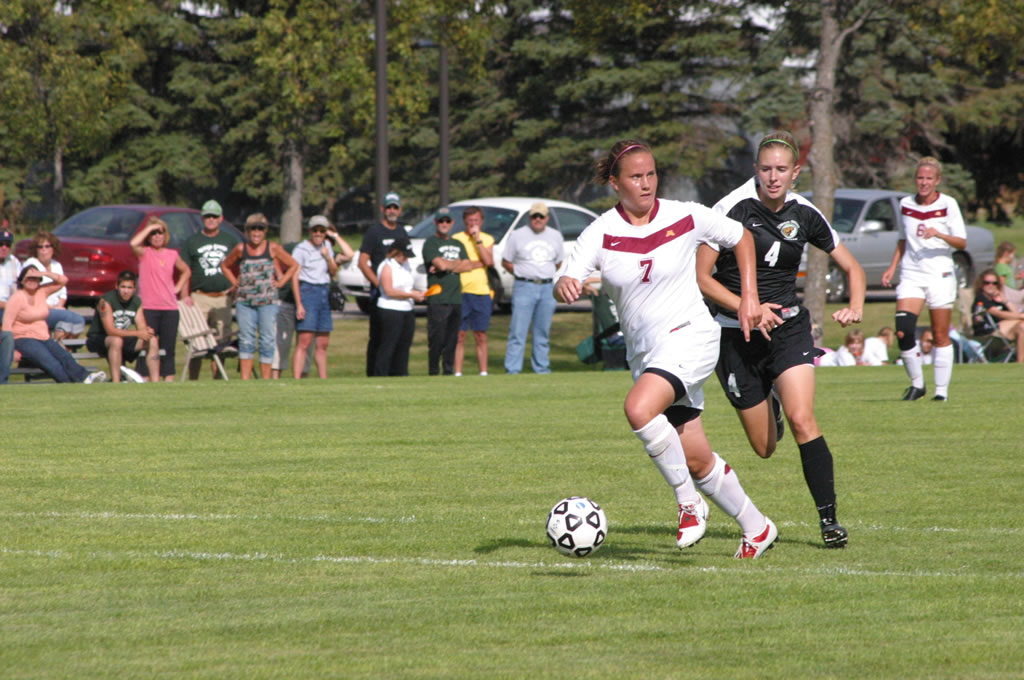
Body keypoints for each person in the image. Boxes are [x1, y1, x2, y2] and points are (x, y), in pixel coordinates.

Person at [555, 139, 777, 559]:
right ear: (615, 183)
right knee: (696, 459)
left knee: (638, 409)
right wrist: (565, 284)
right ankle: (757, 527)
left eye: (651, 174)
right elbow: (568, 277)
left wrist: (749, 295)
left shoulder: (685, 215)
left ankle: (688, 503)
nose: (646, 183)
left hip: (692, 335)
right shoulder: (600, 232)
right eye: (635, 177)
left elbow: (742, 237)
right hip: (647, 356)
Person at [697, 130, 865, 549]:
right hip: (735, 335)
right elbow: (701, 277)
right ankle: (769, 403)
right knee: (764, 448)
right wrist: (747, 307)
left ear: (795, 172)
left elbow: (853, 268)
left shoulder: (805, 213)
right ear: (756, 170)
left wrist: (856, 304)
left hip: (788, 328)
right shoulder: (731, 209)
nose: (774, 177)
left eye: (782, 170)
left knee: (803, 419)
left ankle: (829, 522)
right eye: (767, 169)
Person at [881, 157, 967, 402]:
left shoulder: (948, 204)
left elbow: (961, 242)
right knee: (903, 330)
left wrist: (939, 234)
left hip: (940, 274)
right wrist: (892, 267)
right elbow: (902, 238)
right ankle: (917, 384)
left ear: (937, 180)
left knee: (940, 334)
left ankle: (941, 392)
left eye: (929, 178)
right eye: (920, 178)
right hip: (912, 273)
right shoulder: (905, 204)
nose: (924, 182)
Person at [220, 213, 299, 380]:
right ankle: (245, 380)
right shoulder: (241, 249)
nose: (256, 232)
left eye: (260, 229)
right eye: (253, 229)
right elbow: (225, 266)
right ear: (247, 230)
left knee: (267, 340)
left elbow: (293, 265)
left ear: (266, 231)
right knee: (246, 340)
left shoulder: (273, 248)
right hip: (245, 303)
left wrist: (281, 282)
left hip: (267, 302)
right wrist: (235, 282)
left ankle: (265, 380)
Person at [2, 266, 105, 383]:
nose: (32, 281)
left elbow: (63, 280)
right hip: (23, 339)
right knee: (50, 362)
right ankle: (69, 384)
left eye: (35, 278)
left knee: (64, 356)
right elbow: (6, 325)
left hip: (43, 337)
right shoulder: (17, 298)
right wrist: (11, 350)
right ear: (21, 281)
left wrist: (43, 273)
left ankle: (85, 377)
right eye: (28, 278)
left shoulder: (41, 292)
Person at [502, 201, 565, 375]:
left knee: (542, 332)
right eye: (534, 216)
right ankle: (512, 370)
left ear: (547, 218)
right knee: (517, 331)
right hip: (524, 286)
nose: (538, 219)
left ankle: (542, 368)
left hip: (547, 287)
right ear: (529, 217)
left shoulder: (555, 236)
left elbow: (558, 262)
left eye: (541, 216)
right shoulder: (517, 235)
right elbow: (506, 261)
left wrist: (543, 272)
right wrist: (522, 272)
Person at [421, 207, 483, 376]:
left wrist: (447, 265)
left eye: (447, 221)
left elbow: (468, 266)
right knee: (437, 339)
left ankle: (448, 372)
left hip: (456, 298)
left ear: (452, 223)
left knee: (452, 340)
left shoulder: (457, 243)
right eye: (441, 221)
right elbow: (441, 265)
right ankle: (434, 372)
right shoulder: (431, 243)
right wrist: (455, 264)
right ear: (435, 222)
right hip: (438, 299)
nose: (444, 224)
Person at [130, 216, 191, 381]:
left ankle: (168, 379)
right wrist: (150, 227)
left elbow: (186, 271)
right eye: (154, 233)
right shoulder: (144, 253)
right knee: (147, 344)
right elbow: (133, 243)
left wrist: (177, 288)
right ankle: (144, 378)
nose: (157, 236)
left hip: (169, 308)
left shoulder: (172, 254)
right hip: (148, 307)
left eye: (160, 232)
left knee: (168, 347)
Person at [182, 199, 237, 379]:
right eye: (207, 216)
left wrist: (236, 286)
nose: (211, 219)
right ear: (202, 218)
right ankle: (193, 380)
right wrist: (185, 295)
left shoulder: (230, 240)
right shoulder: (192, 242)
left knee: (221, 341)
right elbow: (185, 270)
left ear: (221, 218)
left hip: (222, 297)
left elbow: (242, 265)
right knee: (196, 341)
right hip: (199, 296)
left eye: (214, 216)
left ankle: (218, 380)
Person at [358, 191, 405, 376]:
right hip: (379, 294)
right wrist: (378, 283)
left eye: (395, 207)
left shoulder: (401, 232)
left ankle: (394, 373)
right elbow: (362, 262)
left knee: (396, 337)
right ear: (382, 209)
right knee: (378, 336)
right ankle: (373, 374)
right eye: (389, 207)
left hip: (397, 294)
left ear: (400, 210)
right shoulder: (374, 232)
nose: (392, 211)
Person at [86, 270, 159, 382]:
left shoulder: (136, 301)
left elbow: (141, 327)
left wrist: (147, 332)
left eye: (129, 288)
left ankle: (156, 382)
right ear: (117, 286)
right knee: (116, 340)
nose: (126, 291)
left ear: (134, 289)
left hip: (121, 338)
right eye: (123, 287)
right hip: (98, 338)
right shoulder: (105, 301)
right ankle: (117, 382)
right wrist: (139, 333)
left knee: (152, 340)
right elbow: (110, 330)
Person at [292, 215, 340, 379]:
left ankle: (323, 379)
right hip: (308, 291)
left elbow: (333, 271)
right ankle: (297, 379)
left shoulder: (327, 246)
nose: (318, 234)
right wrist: (299, 304)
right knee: (304, 340)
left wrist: (328, 257)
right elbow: (294, 277)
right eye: (315, 230)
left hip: (324, 291)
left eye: (322, 231)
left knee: (323, 342)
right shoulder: (301, 249)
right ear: (310, 231)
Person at [373, 234, 424, 376]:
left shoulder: (405, 265)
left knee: (404, 345)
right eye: (404, 255)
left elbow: (406, 287)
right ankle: (381, 375)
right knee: (389, 344)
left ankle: (401, 374)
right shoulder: (387, 266)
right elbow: (389, 291)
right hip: (390, 310)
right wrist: (411, 295)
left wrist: (417, 293)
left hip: (407, 309)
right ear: (396, 252)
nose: (406, 258)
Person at [452, 206, 495, 376]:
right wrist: (476, 263)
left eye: (476, 220)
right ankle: (458, 372)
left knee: (480, 334)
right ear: (464, 221)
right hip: (461, 292)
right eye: (470, 221)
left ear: (481, 221)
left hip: (481, 292)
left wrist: (478, 240)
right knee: (460, 334)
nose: (473, 224)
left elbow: (489, 261)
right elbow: (456, 265)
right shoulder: (456, 239)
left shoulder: (487, 239)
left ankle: (483, 372)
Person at [21, 231, 86, 339]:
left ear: (53, 248)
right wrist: (54, 308)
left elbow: (63, 291)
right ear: (36, 249)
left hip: (56, 308)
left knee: (68, 325)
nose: (44, 250)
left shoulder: (57, 265)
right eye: (40, 247)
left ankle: (59, 345)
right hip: (38, 310)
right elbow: (31, 296)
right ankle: (57, 345)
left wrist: (59, 306)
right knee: (77, 320)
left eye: (47, 246)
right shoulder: (31, 264)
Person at [971, 268, 1024, 361]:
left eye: (994, 283)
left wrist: (1005, 301)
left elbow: (1014, 313)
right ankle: (1020, 363)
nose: (990, 285)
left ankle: (1021, 362)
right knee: (1022, 326)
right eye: (987, 283)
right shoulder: (981, 298)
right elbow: (997, 313)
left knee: (1022, 326)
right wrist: (1021, 316)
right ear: (981, 284)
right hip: (989, 332)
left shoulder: (998, 300)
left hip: (1003, 330)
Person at [993, 241, 1024, 311]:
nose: (1013, 257)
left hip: (1011, 293)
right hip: (1008, 295)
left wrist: (1017, 277)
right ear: (1006, 254)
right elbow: (1002, 283)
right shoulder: (1001, 267)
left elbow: (1008, 279)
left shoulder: (1004, 266)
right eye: (1013, 254)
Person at [0, 228, 21, 324]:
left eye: (8, 245)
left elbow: (21, 287)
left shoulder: (14, 262)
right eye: (0, 244)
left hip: (11, 307)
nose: (4, 248)